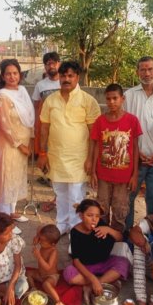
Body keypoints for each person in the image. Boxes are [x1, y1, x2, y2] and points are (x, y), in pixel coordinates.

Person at [38, 61, 101, 234]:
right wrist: (42, 153)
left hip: (79, 159)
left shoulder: (88, 101)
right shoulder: (50, 100)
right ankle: (62, 224)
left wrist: (91, 159)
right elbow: (44, 128)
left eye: (70, 75)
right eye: (63, 75)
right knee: (60, 193)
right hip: (56, 156)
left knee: (76, 196)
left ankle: (76, 229)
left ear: (77, 77)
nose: (66, 79)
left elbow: (94, 135)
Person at [123, 56, 153, 229]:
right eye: (143, 69)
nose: (147, 73)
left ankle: (151, 234)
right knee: (128, 197)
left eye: (150, 69)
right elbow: (125, 129)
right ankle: (127, 235)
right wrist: (137, 152)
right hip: (134, 158)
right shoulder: (128, 96)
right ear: (137, 72)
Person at [89, 83, 142, 232]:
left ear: (122, 99)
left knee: (120, 211)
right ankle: (102, 239)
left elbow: (135, 148)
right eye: (108, 99)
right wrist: (93, 171)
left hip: (124, 178)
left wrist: (135, 174)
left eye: (115, 98)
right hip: (103, 176)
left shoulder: (132, 120)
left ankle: (117, 241)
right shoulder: (100, 121)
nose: (111, 102)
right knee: (102, 209)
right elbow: (97, 146)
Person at [63, 199, 130, 305]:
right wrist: (93, 279)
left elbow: (120, 238)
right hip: (86, 267)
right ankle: (106, 281)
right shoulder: (75, 232)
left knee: (123, 264)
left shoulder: (102, 225)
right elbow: (76, 261)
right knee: (69, 273)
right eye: (90, 215)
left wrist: (109, 230)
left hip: (105, 263)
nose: (94, 220)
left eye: (97, 216)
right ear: (81, 216)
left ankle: (89, 287)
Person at [0, 59, 34, 223]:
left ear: (20, 75)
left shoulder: (22, 91)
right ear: (2, 76)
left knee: (16, 178)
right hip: (9, 144)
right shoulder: (2, 96)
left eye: (15, 73)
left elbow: (30, 117)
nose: (12, 76)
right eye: (8, 73)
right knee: (7, 178)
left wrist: (30, 141)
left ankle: (11, 211)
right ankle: (3, 219)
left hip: (24, 143)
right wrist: (19, 144)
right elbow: (4, 124)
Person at [32, 52, 61, 184]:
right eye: (48, 63)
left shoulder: (66, 82)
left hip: (62, 126)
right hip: (45, 127)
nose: (51, 66)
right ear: (45, 66)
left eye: (53, 63)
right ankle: (50, 179)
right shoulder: (40, 85)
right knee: (46, 155)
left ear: (58, 64)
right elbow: (36, 106)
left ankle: (58, 182)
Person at [28, 224, 65, 305]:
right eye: (40, 239)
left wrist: (38, 257)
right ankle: (33, 288)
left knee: (46, 284)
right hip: (41, 274)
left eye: (43, 241)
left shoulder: (53, 251)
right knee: (28, 273)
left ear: (52, 244)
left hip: (51, 276)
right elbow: (39, 227)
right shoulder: (44, 243)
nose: (40, 242)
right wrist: (37, 236)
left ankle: (58, 302)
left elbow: (48, 268)